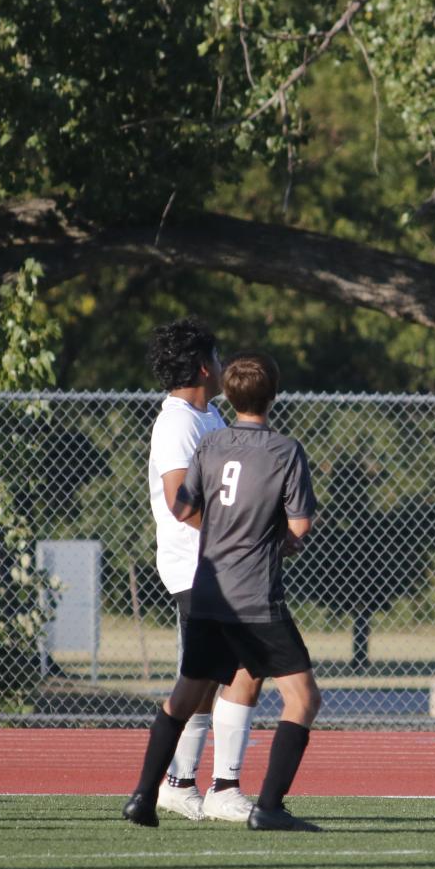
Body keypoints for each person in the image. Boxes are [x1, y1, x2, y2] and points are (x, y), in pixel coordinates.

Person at [122, 353, 321, 832]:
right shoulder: (284, 450)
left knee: (186, 695)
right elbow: (299, 525)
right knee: (302, 698)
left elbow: (184, 505)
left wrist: (225, 528)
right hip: (254, 595)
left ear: (228, 396)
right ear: (273, 394)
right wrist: (275, 539)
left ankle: (144, 796)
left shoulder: (209, 444)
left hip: (209, 589)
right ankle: (268, 807)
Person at [145, 320, 263, 824]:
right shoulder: (178, 423)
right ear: (201, 366)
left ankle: (179, 783)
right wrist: (240, 532)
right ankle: (221, 787)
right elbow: (180, 503)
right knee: (244, 670)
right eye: (216, 357)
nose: (222, 365)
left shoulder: (208, 414)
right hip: (201, 567)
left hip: (219, 566)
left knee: (209, 678)